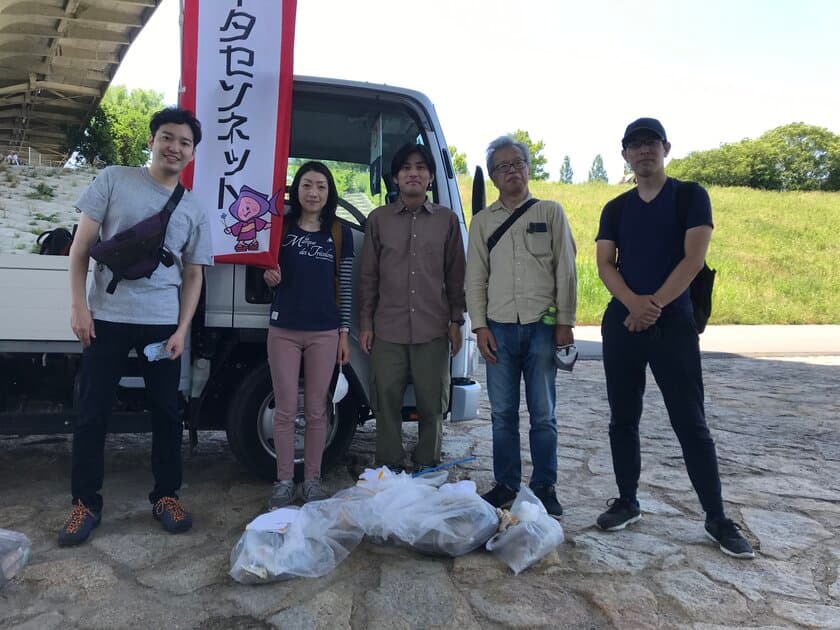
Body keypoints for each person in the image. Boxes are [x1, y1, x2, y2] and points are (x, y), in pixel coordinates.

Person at [594, 117, 754, 558]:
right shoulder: (617, 208)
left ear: (666, 148)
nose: (643, 151)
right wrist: (633, 305)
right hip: (624, 323)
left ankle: (717, 517)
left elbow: (693, 259)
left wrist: (653, 307)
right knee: (622, 418)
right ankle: (627, 501)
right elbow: (605, 263)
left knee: (691, 423)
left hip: (674, 325)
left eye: (651, 143)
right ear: (624, 154)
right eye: (635, 145)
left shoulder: (690, 196)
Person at [59, 107, 212, 546]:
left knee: (166, 413)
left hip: (162, 325)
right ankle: (84, 504)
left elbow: (194, 275)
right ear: (151, 141)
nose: (175, 147)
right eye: (167, 137)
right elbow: (80, 248)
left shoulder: (194, 207)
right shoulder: (113, 179)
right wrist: (78, 307)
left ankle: (166, 496)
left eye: (184, 142)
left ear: (192, 153)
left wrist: (182, 329)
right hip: (105, 318)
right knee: (92, 413)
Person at [465, 136, 577, 518]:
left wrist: (565, 321)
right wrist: (479, 328)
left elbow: (566, 269)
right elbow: (475, 277)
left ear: (529, 168)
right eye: (503, 166)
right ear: (494, 177)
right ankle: (507, 484)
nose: (512, 171)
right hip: (499, 328)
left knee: (544, 414)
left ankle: (545, 486)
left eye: (518, 163)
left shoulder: (550, 212)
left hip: (543, 328)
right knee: (502, 414)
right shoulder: (482, 222)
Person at [358, 142, 466, 471]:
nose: (413, 173)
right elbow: (368, 276)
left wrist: (456, 320)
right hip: (387, 330)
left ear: (431, 177)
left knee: (432, 404)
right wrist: (366, 323)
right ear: (395, 178)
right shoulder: (378, 220)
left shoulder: (446, 221)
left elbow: (455, 276)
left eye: (420, 167)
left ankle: (427, 464)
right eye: (406, 168)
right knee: (386, 402)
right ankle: (389, 466)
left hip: (434, 330)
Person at [263, 161, 353, 509]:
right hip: (283, 329)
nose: (313, 193)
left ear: (329, 193)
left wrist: (344, 333)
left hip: (325, 332)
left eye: (321, 187)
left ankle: (312, 481)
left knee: (317, 410)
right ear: (296, 190)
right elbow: (264, 274)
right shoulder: (279, 229)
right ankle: (284, 481)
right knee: (285, 410)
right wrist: (268, 276)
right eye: (307, 185)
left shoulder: (339, 233)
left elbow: (344, 287)